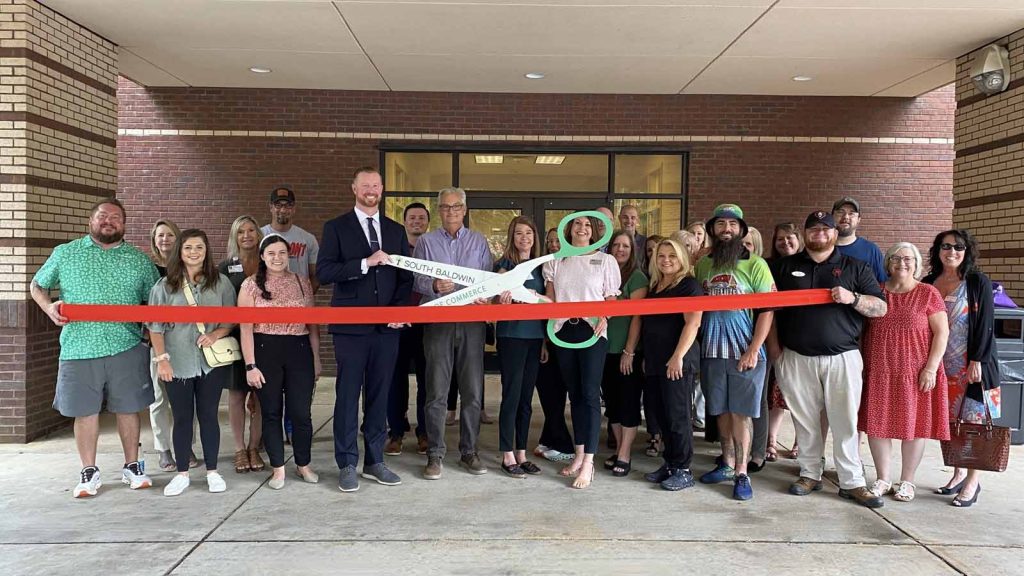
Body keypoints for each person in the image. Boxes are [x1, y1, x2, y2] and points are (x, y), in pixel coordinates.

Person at [31, 198, 161, 498]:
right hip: (79, 346)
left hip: (126, 345)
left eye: (116, 217)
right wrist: (48, 307)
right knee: (84, 411)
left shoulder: (139, 260)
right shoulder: (66, 253)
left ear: (124, 224)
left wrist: (148, 337)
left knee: (129, 408)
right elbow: (37, 285)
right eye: (103, 216)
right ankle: (88, 471)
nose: (108, 221)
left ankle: (132, 466)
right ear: (91, 220)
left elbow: (155, 300)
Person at [768, 211, 887, 509]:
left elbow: (880, 307)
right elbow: (768, 311)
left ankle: (852, 481)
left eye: (826, 229)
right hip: (796, 356)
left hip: (842, 356)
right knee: (804, 421)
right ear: (805, 234)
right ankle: (810, 474)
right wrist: (776, 351)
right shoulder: (784, 267)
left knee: (845, 421)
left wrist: (853, 298)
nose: (819, 234)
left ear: (835, 234)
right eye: (814, 229)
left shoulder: (855, 267)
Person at [317, 166, 412, 492]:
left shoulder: (395, 230)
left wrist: (398, 310)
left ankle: (374, 461)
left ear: (382, 190)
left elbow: (405, 278)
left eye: (376, 185)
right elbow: (325, 272)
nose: (371, 190)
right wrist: (364, 263)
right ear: (354, 189)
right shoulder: (336, 227)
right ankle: (346, 463)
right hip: (350, 329)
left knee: (379, 395)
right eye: (365, 185)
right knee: (347, 396)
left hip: (387, 330)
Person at [694, 205, 774, 501]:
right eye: (720, 224)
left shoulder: (756, 264)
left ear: (741, 230)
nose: (726, 229)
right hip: (712, 351)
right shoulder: (704, 265)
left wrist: (753, 350)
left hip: (744, 352)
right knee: (721, 411)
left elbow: (767, 310)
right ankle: (726, 463)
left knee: (741, 413)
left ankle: (742, 472)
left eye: (732, 224)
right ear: (712, 230)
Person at [148, 229, 237, 496]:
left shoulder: (221, 283)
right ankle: (182, 474)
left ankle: (212, 472)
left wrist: (216, 334)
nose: (194, 252)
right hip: (177, 361)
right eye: (188, 248)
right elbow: (155, 327)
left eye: (199, 247)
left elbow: (231, 318)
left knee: (209, 415)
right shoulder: (164, 286)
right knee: (182, 417)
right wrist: (162, 360)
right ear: (180, 251)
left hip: (211, 362)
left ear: (207, 251)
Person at [859, 242, 949, 503]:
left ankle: (907, 481)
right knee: (877, 425)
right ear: (888, 263)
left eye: (908, 259)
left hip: (916, 372)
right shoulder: (876, 291)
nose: (902, 263)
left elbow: (942, 333)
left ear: (917, 264)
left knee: (915, 426)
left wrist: (931, 368)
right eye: (896, 258)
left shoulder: (928, 293)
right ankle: (883, 478)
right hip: (879, 370)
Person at [414, 186, 493, 480]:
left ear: (464, 209)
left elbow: (488, 278)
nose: (451, 212)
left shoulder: (478, 241)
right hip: (438, 322)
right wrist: (433, 285)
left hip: (472, 322)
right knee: (436, 391)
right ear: (439, 211)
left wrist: (485, 294)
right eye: (445, 207)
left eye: (456, 206)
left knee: (472, 392)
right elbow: (416, 278)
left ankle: (469, 451)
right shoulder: (426, 242)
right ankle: (435, 454)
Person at [923, 229, 1001, 508]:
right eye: (946, 246)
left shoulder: (977, 282)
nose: (952, 252)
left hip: (972, 367)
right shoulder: (928, 283)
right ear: (938, 250)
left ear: (967, 251)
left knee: (973, 424)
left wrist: (977, 360)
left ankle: (972, 481)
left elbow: (986, 325)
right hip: (940, 366)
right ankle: (957, 474)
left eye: (958, 247)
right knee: (949, 424)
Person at [543, 215, 621, 489]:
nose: (582, 228)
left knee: (589, 394)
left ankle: (589, 462)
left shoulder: (606, 260)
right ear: (569, 229)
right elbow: (551, 298)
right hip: (564, 330)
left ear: (594, 231)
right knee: (574, 393)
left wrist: (605, 316)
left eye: (588, 225)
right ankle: (578, 455)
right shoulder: (556, 260)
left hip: (593, 332)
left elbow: (611, 297)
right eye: (577, 224)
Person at [239, 234, 321, 490]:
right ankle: (278, 469)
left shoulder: (301, 282)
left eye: (282, 253)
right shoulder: (250, 285)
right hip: (265, 350)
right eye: (272, 253)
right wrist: (251, 365)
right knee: (271, 412)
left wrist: (316, 358)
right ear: (262, 256)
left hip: (299, 348)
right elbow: (245, 328)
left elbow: (312, 324)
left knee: (301, 413)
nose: (277, 258)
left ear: (289, 255)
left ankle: (303, 464)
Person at [641, 239, 703, 491]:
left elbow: (693, 323)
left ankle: (683, 469)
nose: (666, 260)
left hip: (677, 361)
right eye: (661, 255)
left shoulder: (689, 285)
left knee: (678, 417)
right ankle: (670, 463)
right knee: (661, 415)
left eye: (672, 256)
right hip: (655, 360)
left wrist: (678, 356)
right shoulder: (655, 286)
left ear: (682, 259)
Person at [493, 215, 547, 478]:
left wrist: (545, 341)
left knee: (526, 398)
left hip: (535, 337)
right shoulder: (503, 266)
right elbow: (492, 302)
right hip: (511, 337)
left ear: (534, 237)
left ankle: (522, 453)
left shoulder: (541, 267)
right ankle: (507, 454)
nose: (524, 238)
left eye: (528, 233)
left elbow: (548, 304)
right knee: (512, 396)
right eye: (518, 233)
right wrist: (500, 301)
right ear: (511, 238)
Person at [147, 218, 196, 473]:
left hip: (185, 343)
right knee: (159, 398)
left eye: (170, 235)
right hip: (156, 342)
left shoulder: (189, 268)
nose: (165, 239)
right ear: (154, 240)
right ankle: (163, 448)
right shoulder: (147, 269)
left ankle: (186, 445)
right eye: (160, 235)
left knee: (186, 399)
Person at [218, 215, 266, 474]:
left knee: (260, 395)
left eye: (250, 230)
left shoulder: (268, 262)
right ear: (234, 237)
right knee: (236, 395)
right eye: (240, 232)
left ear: (258, 234)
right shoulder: (225, 268)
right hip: (235, 338)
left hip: (265, 338)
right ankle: (239, 449)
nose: (246, 235)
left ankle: (254, 446)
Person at [386, 202, 431, 457]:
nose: (416, 221)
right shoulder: (395, 250)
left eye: (421, 218)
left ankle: (424, 432)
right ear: (404, 222)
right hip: (399, 322)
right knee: (396, 378)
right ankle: (396, 432)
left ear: (427, 222)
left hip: (426, 321)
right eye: (412, 217)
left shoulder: (432, 249)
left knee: (427, 379)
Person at [602, 230, 648, 477]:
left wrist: (629, 351)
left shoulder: (637, 277)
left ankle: (625, 454)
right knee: (612, 404)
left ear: (632, 251)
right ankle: (619, 448)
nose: (620, 249)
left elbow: (637, 318)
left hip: (626, 352)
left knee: (628, 403)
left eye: (625, 246)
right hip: (604, 349)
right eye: (616, 245)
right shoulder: (603, 273)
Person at [532, 227, 576, 462]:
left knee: (555, 392)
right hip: (545, 336)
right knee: (549, 391)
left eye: (557, 241)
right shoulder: (543, 266)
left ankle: (564, 445)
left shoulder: (572, 266)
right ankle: (550, 438)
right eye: (549, 241)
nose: (553, 245)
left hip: (563, 335)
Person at [766, 223, 803, 461]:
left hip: (802, 337)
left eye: (790, 238)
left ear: (799, 240)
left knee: (802, 396)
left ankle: (800, 442)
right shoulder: (768, 265)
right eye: (780, 238)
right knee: (776, 393)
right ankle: (771, 441)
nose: (785, 242)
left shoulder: (808, 264)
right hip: (775, 333)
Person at [263, 186, 320, 293]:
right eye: (278, 205)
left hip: (298, 298)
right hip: (267, 297)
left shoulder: (308, 239)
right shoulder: (260, 236)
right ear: (271, 207)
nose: (283, 210)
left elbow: (315, 275)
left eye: (288, 205)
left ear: (294, 209)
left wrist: (305, 296)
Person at [832, 197, 887, 283]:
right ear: (832, 217)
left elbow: (882, 285)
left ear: (858, 220)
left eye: (851, 213)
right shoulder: (821, 248)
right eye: (840, 212)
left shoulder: (871, 251)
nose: (846, 217)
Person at [618, 204, 647, 270]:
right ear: (619, 218)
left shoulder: (645, 242)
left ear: (637, 220)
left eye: (633, 218)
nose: (629, 221)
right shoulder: (613, 241)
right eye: (625, 217)